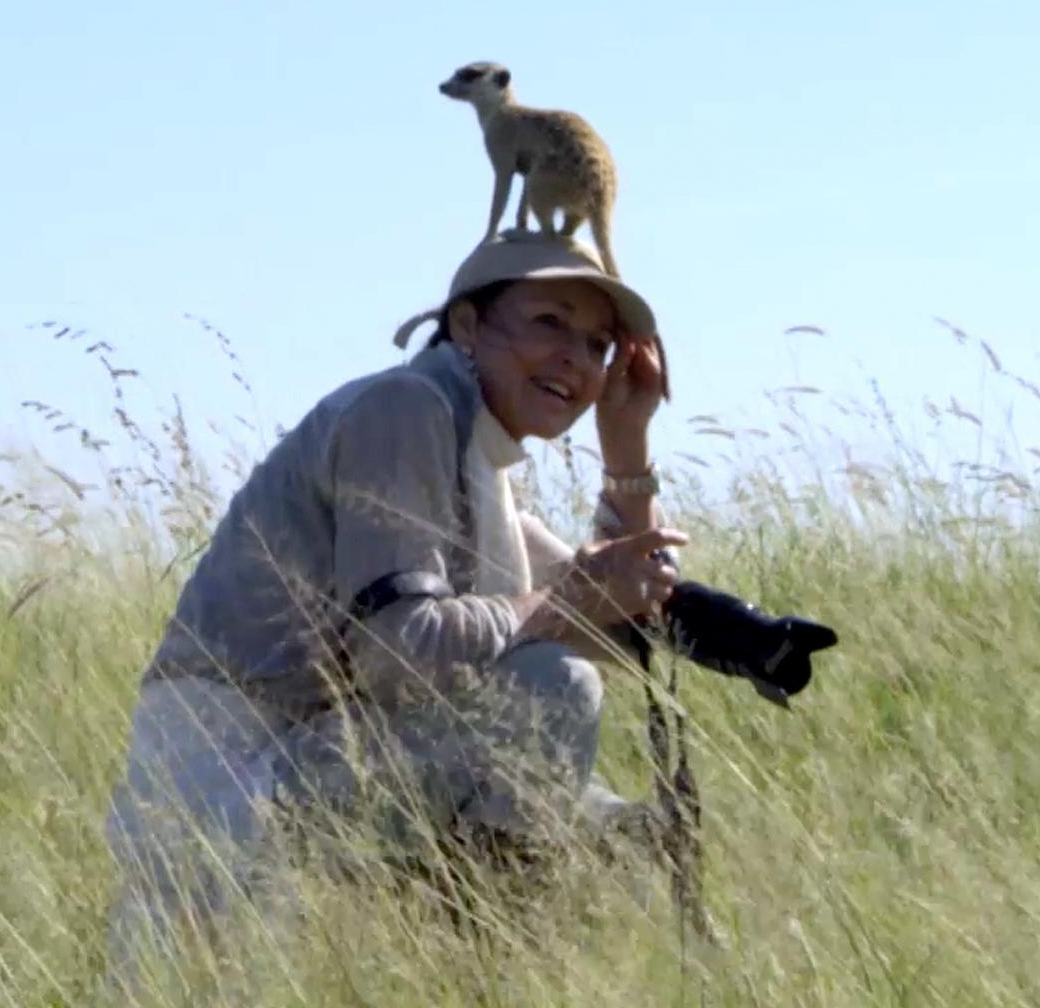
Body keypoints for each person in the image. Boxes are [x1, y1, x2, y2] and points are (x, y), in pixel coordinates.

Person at [101, 228, 692, 972]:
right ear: (468, 325)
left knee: (585, 778)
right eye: (550, 322)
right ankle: (489, 966)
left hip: (297, 773)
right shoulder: (402, 409)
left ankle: (485, 955)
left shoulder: (477, 462)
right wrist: (563, 603)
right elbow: (396, 652)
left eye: (600, 344)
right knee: (554, 689)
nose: (577, 358)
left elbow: (622, 628)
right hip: (224, 788)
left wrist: (627, 444)